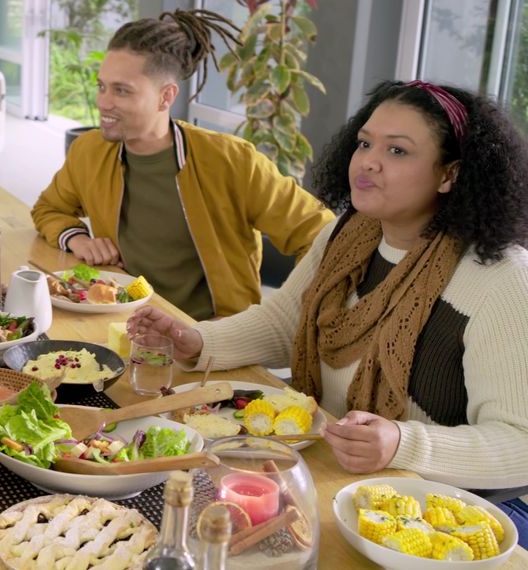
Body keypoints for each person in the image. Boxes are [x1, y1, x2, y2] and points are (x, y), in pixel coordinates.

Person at [128, 80, 528, 545]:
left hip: (431, 521)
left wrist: (403, 442)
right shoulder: (347, 233)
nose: (368, 161)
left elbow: (520, 440)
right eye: (364, 143)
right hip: (327, 476)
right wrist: (196, 341)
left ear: (449, 175)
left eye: (398, 151)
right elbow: (285, 323)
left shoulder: (502, 279)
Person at [31, 10, 333, 320]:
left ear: (165, 97)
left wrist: (282, 316)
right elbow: (48, 208)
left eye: (122, 90)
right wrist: (77, 238)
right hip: (123, 316)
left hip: (208, 332)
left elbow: (321, 234)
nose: (103, 102)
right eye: (102, 86)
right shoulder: (89, 151)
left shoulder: (232, 160)